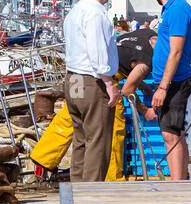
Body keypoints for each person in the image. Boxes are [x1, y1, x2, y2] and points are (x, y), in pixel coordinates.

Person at [30, 23, 154, 180]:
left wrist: (141, 84)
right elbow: (127, 90)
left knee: (70, 116)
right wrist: (145, 110)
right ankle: (112, 176)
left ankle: (42, 158)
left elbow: (127, 57)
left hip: (78, 73)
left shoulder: (146, 34)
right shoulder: (148, 59)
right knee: (113, 127)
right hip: (103, 78)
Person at [61, 0, 119, 182]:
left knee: (81, 139)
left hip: (73, 80)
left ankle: (76, 190)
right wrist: (109, 83)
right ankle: (91, 192)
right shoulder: (95, 13)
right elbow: (97, 53)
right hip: (91, 82)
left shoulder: (74, 12)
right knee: (98, 140)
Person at [148, 0, 191, 180]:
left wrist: (162, 87)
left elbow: (176, 51)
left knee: (170, 133)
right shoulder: (172, 8)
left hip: (174, 81)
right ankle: (182, 178)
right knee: (175, 131)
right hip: (171, 80)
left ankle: (177, 185)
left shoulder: (176, 9)